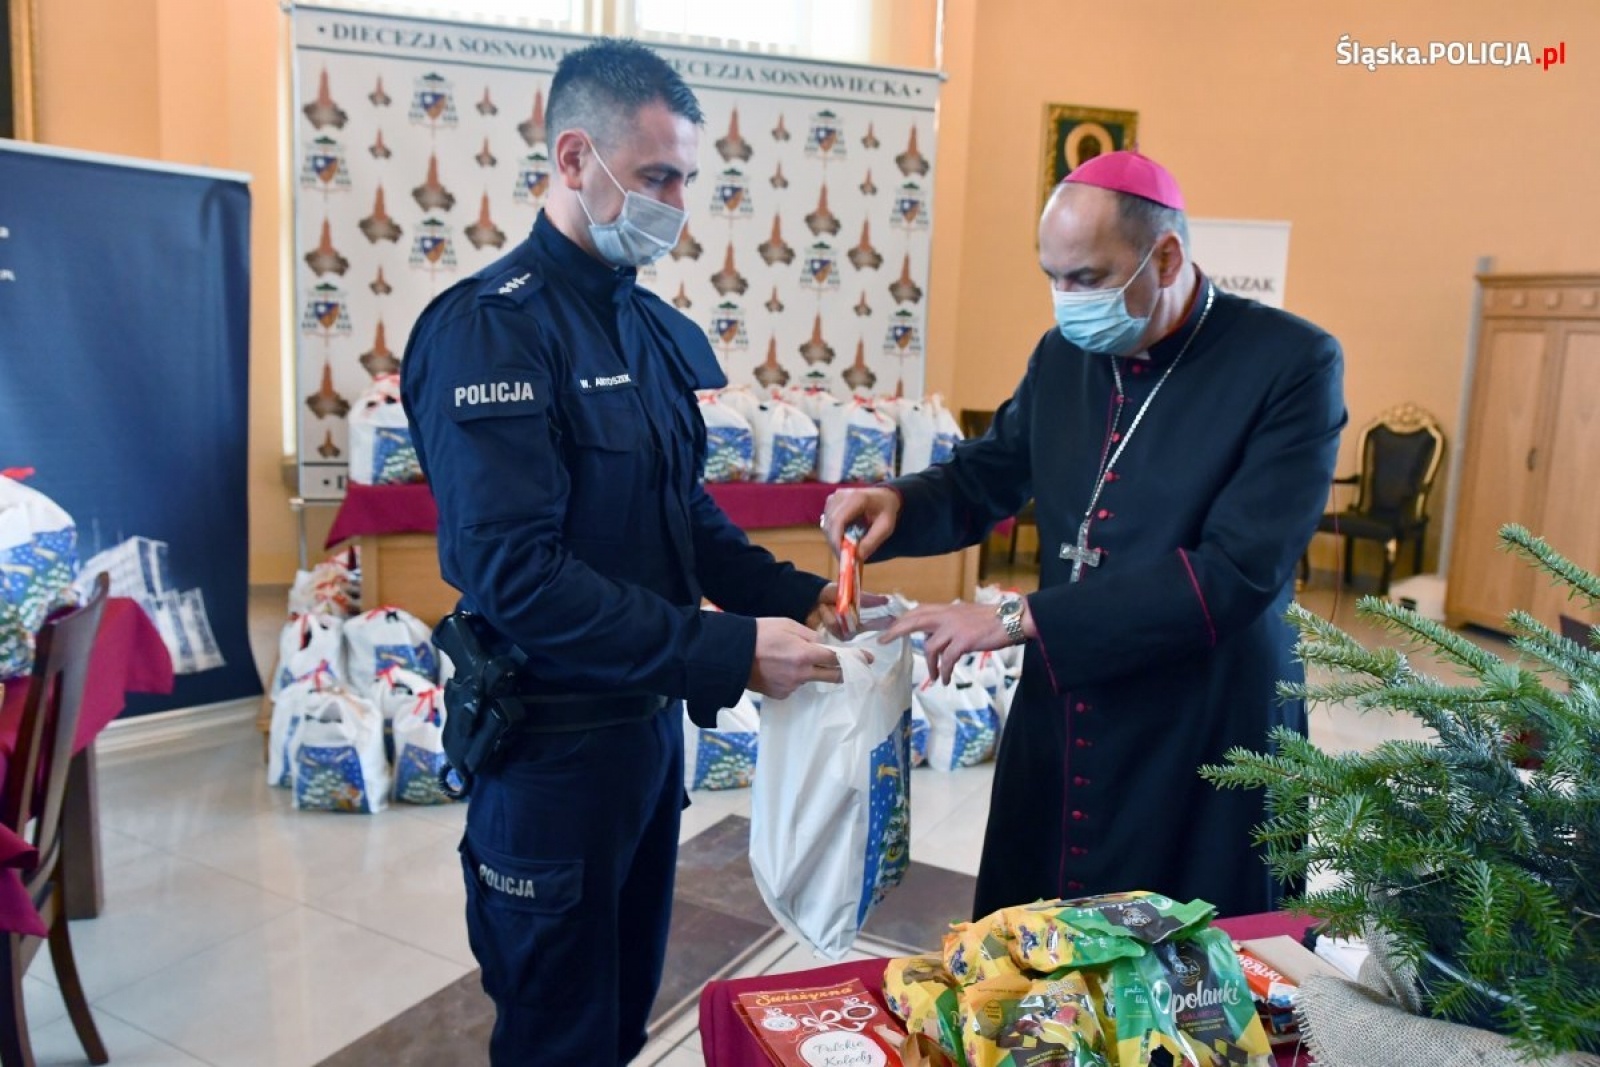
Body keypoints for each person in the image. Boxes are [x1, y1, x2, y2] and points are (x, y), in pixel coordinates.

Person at [400, 39, 848, 1066]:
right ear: (571, 158)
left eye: (686, 177)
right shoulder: (490, 333)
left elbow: (679, 513)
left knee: (620, 1017)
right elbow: (515, 573)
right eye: (656, 176)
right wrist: (727, 650)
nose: (678, 202)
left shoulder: (644, 326)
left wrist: (809, 596)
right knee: (558, 1031)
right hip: (552, 750)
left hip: (647, 742)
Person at [822, 150, 1346, 922]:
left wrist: (1013, 618)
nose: (1065, 300)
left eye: (1088, 278)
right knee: (1036, 947)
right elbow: (988, 474)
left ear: (1165, 256)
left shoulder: (1291, 362)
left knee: (1180, 973)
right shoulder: (1065, 353)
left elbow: (1236, 571)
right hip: (1069, 699)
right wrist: (898, 502)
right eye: (1052, 276)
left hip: (1204, 720)